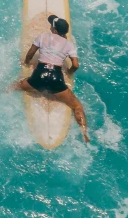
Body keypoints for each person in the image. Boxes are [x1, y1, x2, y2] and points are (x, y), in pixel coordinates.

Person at [12, 14, 90, 143]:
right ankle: (84, 134)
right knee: (77, 107)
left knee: (15, 86)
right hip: (56, 78)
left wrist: (26, 63)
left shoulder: (43, 36)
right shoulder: (69, 45)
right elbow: (76, 65)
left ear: (54, 30)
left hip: (39, 76)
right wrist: (69, 72)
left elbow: (30, 53)